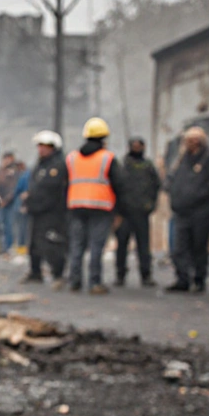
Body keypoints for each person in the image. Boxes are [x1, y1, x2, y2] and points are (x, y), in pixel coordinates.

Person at [65, 118, 124, 294]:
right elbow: (119, 185)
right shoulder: (108, 158)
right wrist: (119, 211)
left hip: (76, 206)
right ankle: (94, 283)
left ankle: (75, 281)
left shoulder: (72, 157)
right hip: (101, 207)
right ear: (104, 137)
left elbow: (64, 184)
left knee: (77, 245)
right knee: (96, 246)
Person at [165, 127, 209, 293]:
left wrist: (197, 196)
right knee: (179, 247)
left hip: (201, 210)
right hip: (181, 211)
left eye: (193, 140)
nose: (190, 143)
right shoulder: (181, 160)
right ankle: (182, 278)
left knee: (199, 247)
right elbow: (172, 179)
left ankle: (199, 279)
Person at [23, 130, 69, 288]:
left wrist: (35, 202)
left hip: (52, 212)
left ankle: (58, 274)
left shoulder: (57, 165)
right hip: (37, 211)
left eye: (45, 146)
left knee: (52, 243)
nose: (41, 149)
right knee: (34, 242)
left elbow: (51, 191)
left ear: (53, 148)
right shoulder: (39, 165)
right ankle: (35, 272)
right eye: (40, 146)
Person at [114, 136, 161, 288]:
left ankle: (146, 275)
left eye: (139, 146)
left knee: (143, 246)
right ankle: (120, 274)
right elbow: (116, 188)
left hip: (141, 212)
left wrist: (151, 205)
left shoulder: (148, 166)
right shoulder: (122, 166)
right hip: (124, 212)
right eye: (134, 146)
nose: (136, 149)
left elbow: (156, 186)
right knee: (122, 246)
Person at [0, 153, 21, 255]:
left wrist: (6, 200)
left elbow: (14, 188)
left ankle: (8, 247)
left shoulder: (13, 172)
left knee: (9, 225)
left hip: (9, 203)